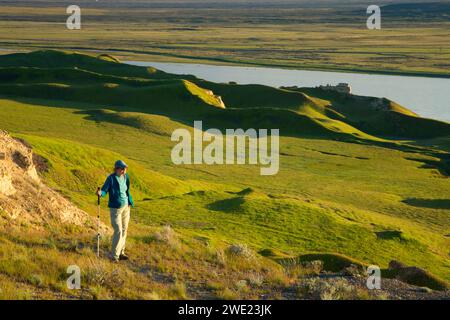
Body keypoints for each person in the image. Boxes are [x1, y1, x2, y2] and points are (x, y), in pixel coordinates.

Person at [97, 160, 134, 262]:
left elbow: (127, 190)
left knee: (124, 229)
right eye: (122, 169)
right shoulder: (111, 178)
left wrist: (129, 201)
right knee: (118, 230)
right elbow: (105, 190)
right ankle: (114, 256)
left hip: (126, 206)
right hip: (116, 208)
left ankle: (121, 252)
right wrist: (101, 193)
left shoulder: (126, 177)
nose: (124, 171)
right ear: (117, 169)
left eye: (125, 169)